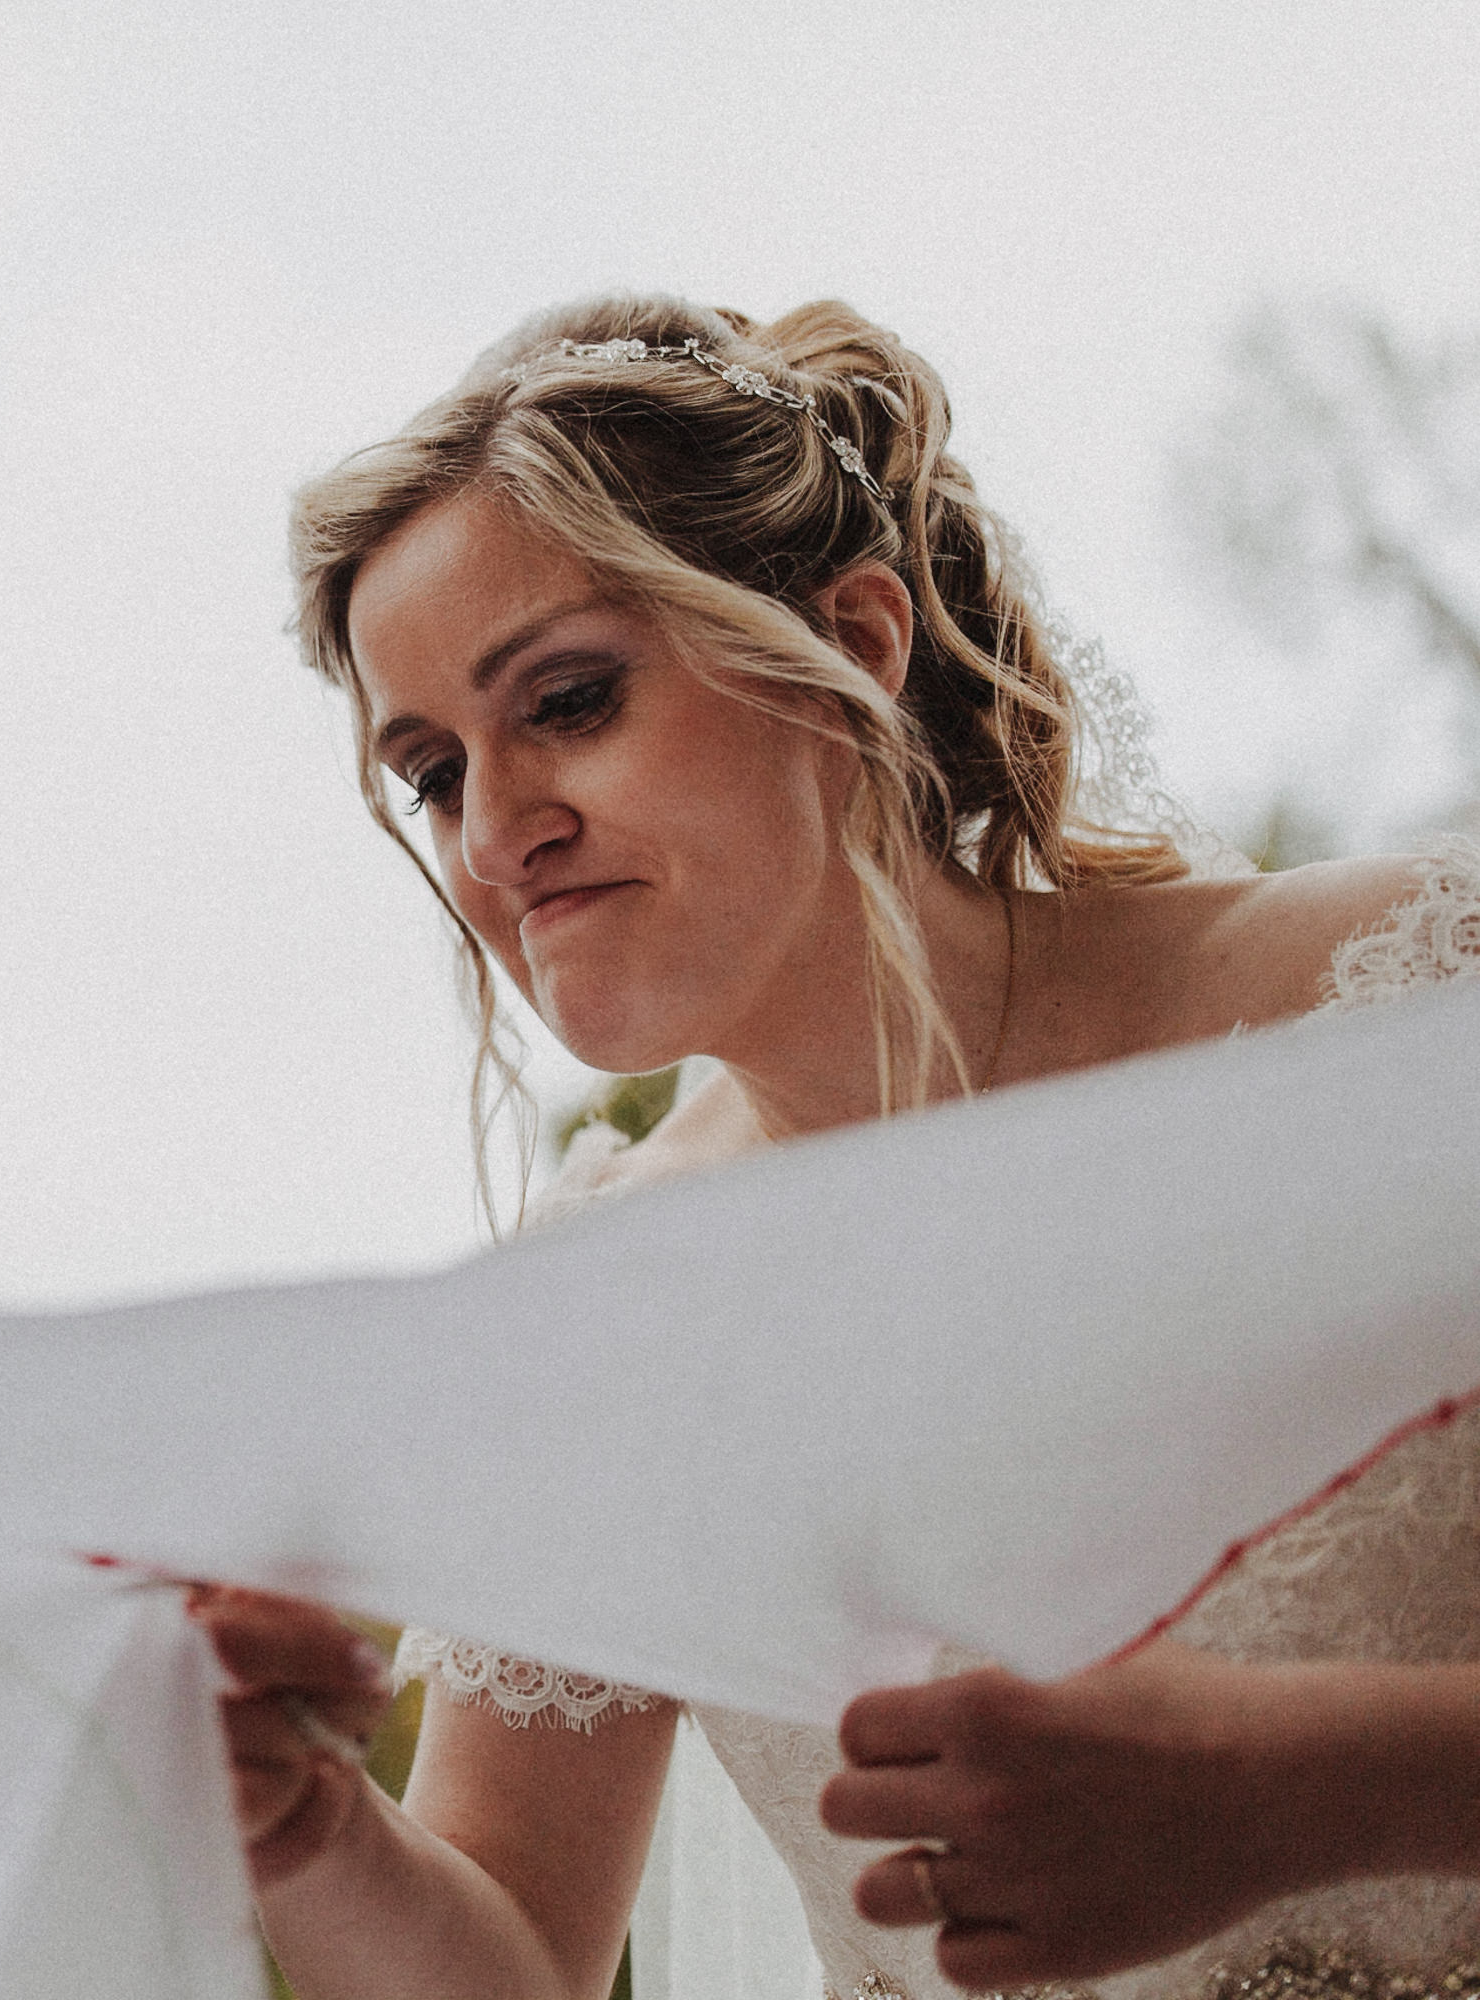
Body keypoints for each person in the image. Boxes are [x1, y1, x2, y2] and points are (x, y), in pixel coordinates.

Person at [196, 297, 1480, 2000]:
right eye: (431, 773)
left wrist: (1307, 1784)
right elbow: (512, 1960)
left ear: (860, 641)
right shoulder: (595, 1320)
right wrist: (309, 1828)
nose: (497, 837)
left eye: (568, 702)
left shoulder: (1411, 1014)